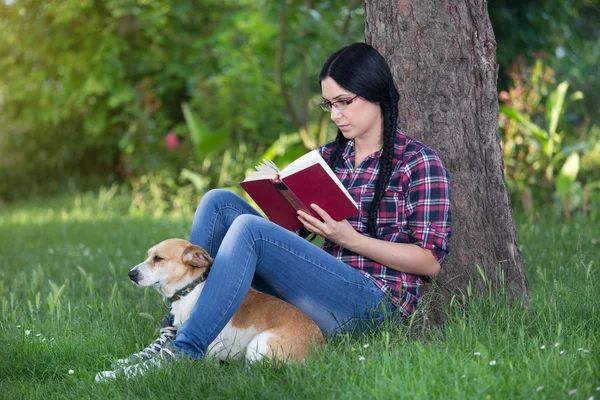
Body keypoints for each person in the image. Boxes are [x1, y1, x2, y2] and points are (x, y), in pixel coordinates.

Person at [107, 42, 451, 378]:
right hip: (315, 290)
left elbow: (430, 262)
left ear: (377, 93)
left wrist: (350, 239)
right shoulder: (331, 157)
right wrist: (284, 203)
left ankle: (185, 350)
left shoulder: (417, 162)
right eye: (328, 105)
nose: (335, 114)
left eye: (344, 102)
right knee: (218, 202)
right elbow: (294, 236)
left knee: (249, 229)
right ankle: (176, 329)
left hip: (371, 304)